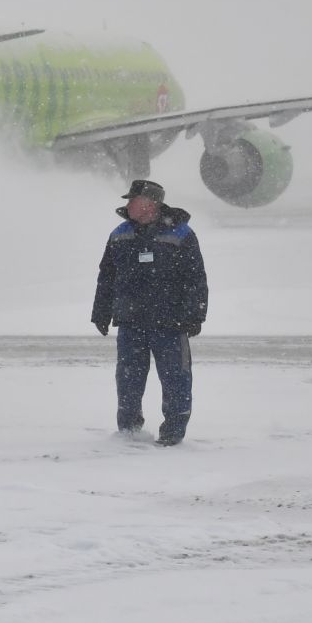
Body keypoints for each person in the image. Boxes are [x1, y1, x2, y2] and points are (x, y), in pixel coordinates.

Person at [90, 179, 208, 446]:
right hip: (130, 323)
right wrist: (101, 312)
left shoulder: (181, 234)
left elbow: (195, 278)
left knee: (176, 378)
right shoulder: (119, 234)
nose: (128, 205)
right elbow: (106, 277)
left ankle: (173, 434)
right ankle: (129, 431)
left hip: (170, 323)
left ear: (150, 204)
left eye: (133, 199)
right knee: (128, 379)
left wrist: (195, 313)